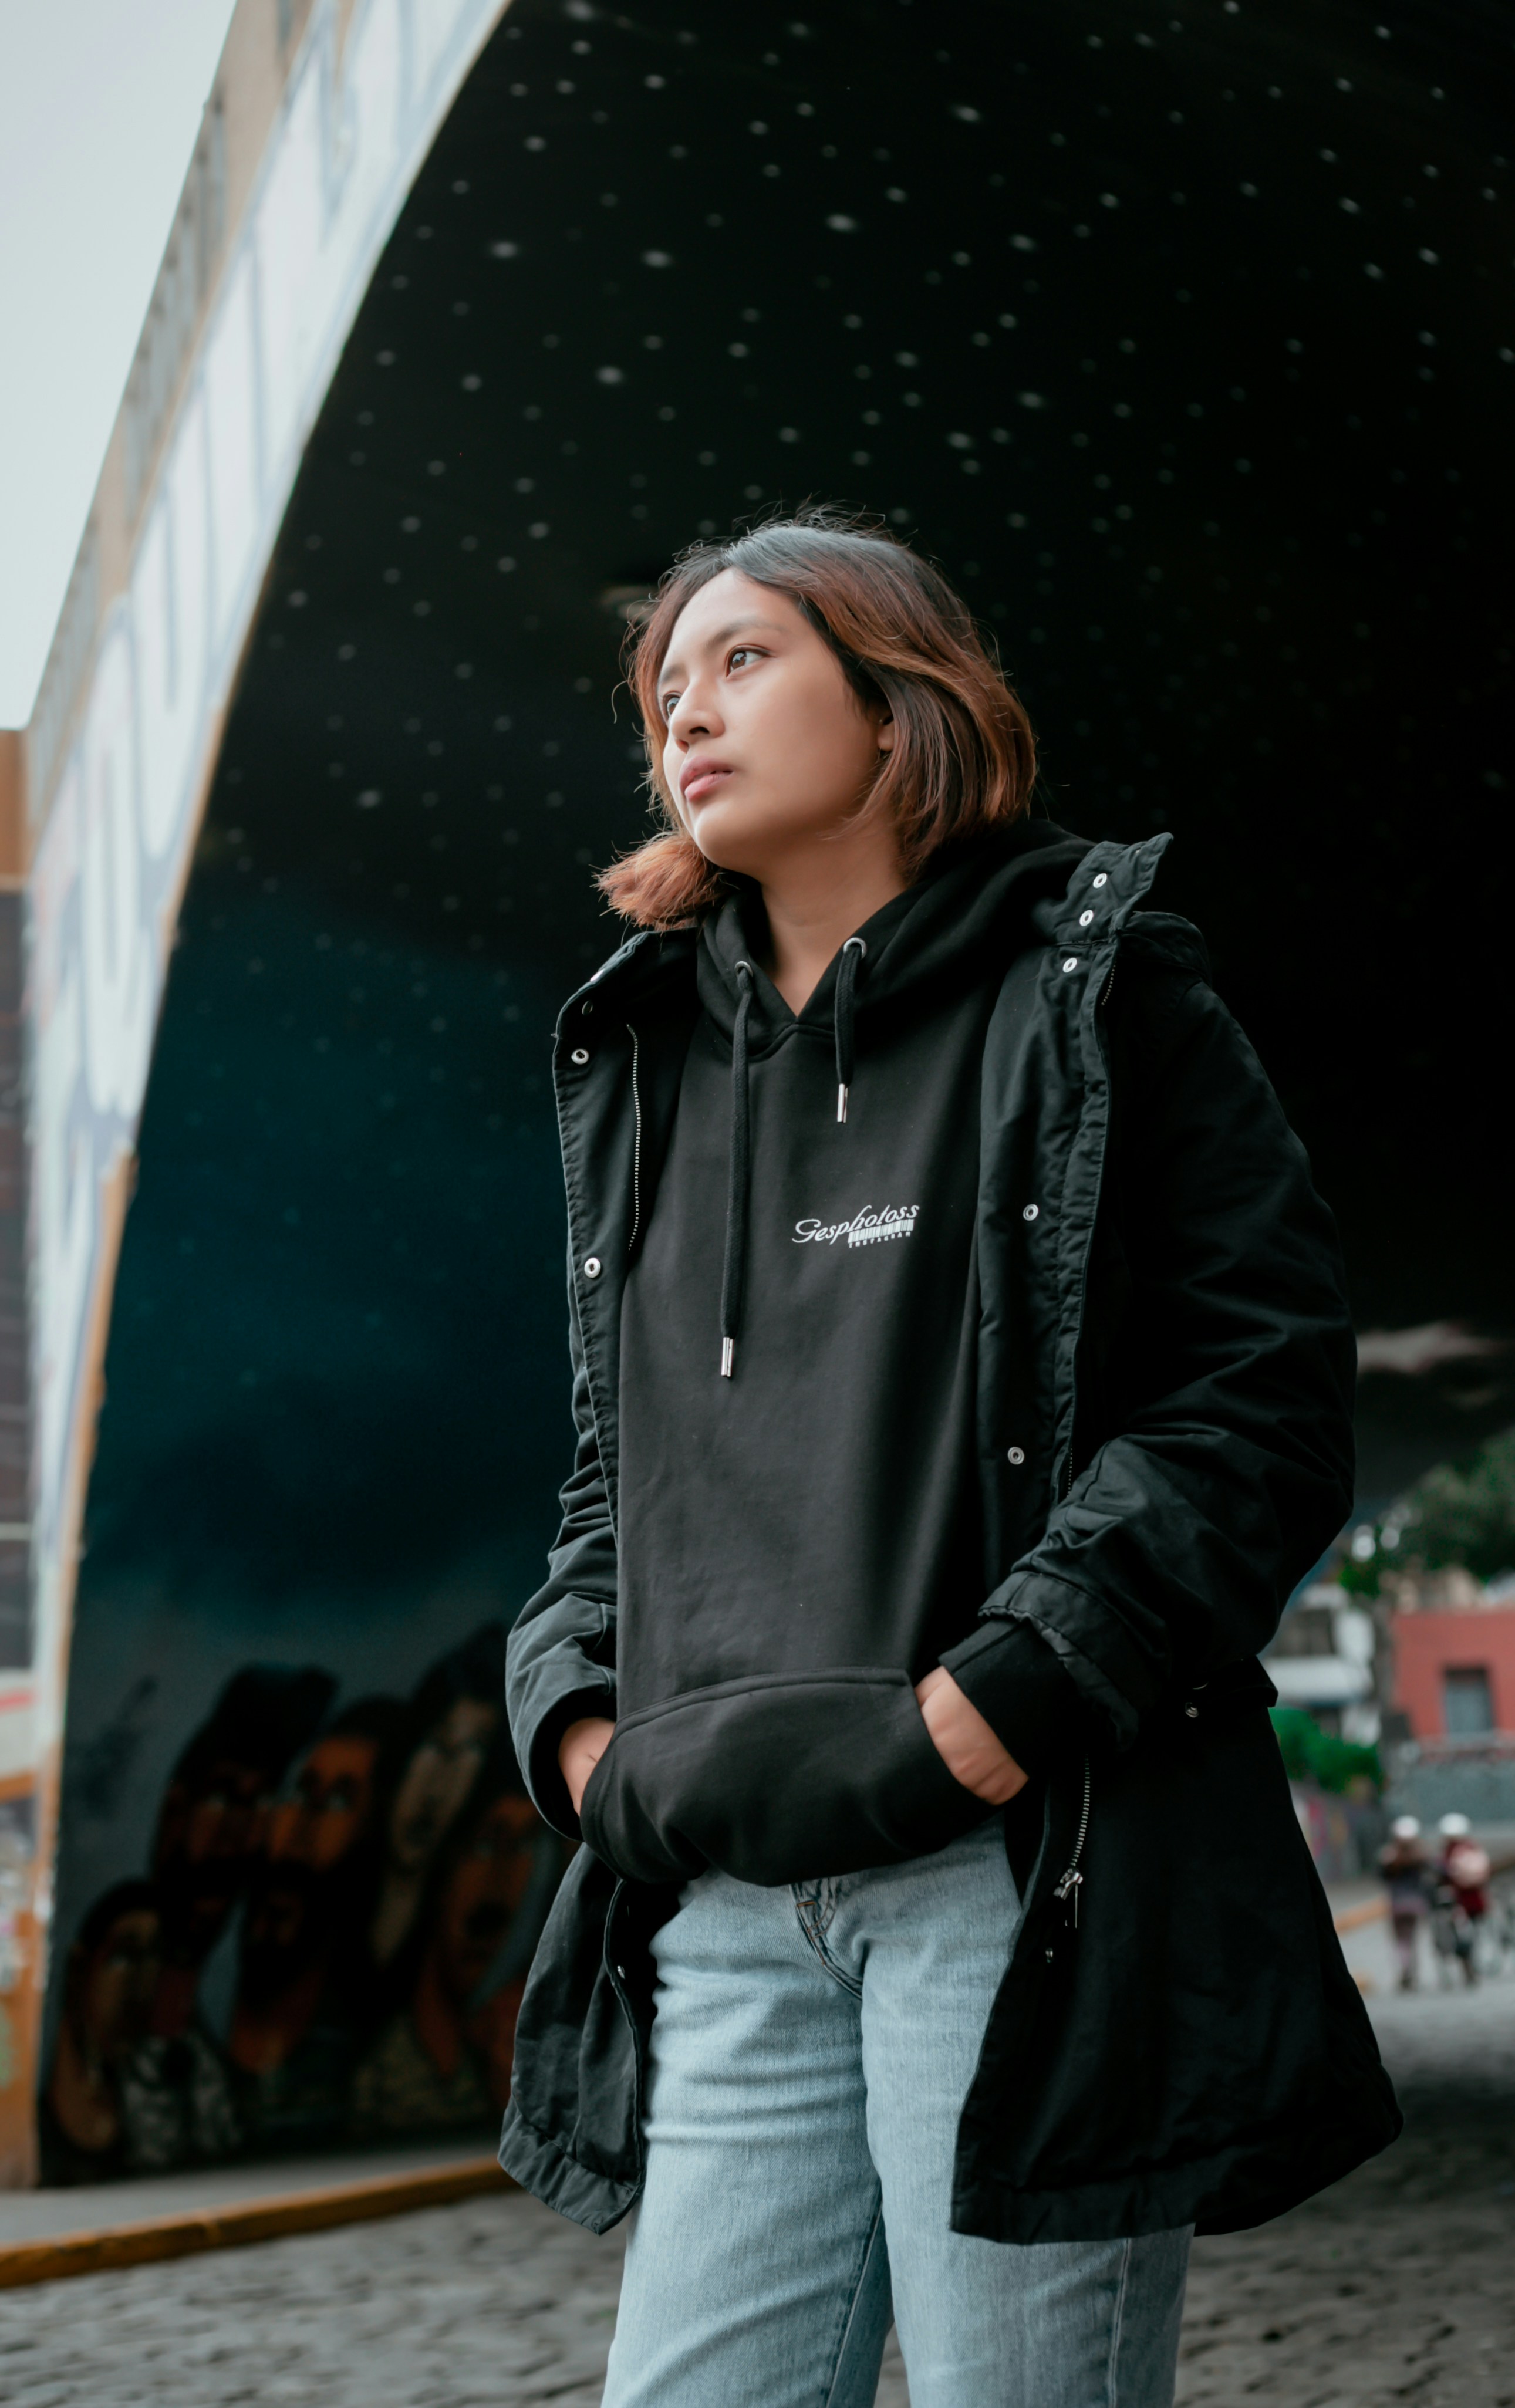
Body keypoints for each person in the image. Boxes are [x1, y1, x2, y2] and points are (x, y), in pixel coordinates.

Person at [500, 511, 1401, 2408]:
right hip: (723, 1905)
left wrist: (997, 1704)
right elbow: (609, 1474)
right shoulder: (639, 1058)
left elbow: (1260, 1393)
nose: (689, 707)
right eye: (667, 682)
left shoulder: (1090, 988)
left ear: (898, 695)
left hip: (1004, 1880)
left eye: (747, 658)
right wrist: (577, 1728)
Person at [1435, 1811, 1490, 1985]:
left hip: (1458, 1903)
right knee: (1473, 1935)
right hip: (1477, 1902)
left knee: (1461, 1936)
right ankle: (1472, 1965)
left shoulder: (1448, 1852)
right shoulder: (1473, 1847)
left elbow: (1442, 1875)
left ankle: (1468, 1967)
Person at [1379, 1815, 1432, 1991]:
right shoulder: (1421, 1855)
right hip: (1416, 1903)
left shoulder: (1390, 1855)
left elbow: (1381, 1876)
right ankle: (1411, 1970)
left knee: (1401, 1940)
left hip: (1397, 1904)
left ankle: (1405, 1969)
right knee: (1413, 1938)